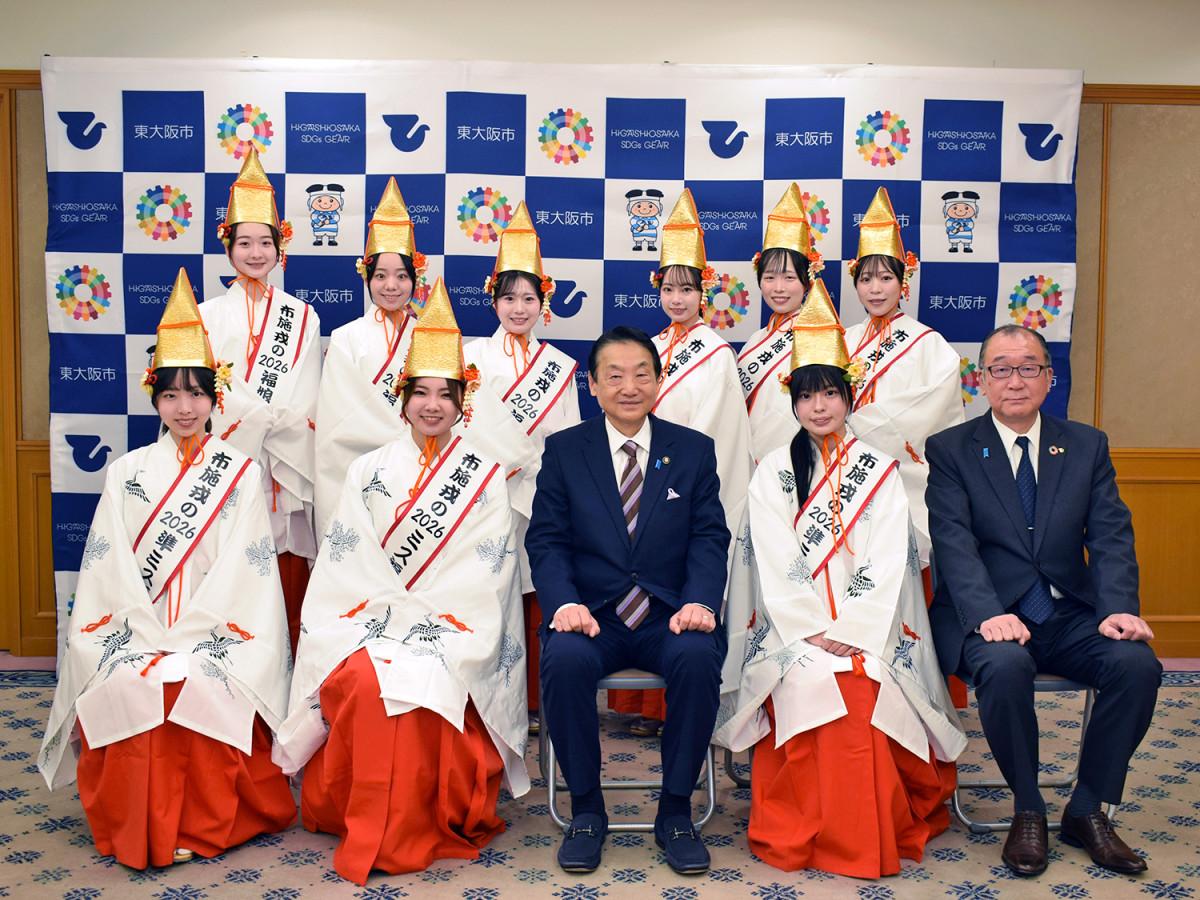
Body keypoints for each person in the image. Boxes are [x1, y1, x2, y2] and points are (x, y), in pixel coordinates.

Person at [275, 278, 529, 885]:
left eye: (445, 394)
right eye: (421, 393)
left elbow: (487, 570)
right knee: (368, 680)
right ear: (403, 397)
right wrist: (391, 622)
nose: (432, 405)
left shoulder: (484, 475)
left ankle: (424, 819)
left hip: (451, 628)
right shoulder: (367, 470)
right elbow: (347, 562)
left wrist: (426, 624)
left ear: (463, 402)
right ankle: (370, 820)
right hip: (372, 623)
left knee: (426, 676)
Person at [38, 269, 294, 869]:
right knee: (135, 678)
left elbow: (247, 574)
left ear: (215, 397)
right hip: (136, 626)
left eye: (197, 394)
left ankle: (202, 823)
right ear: (154, 397)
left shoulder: (241, 472)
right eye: (172, 395)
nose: (185, 408)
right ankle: (139, 823)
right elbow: (108, 571)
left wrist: (191, 636)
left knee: (197, 677)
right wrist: (149, 635)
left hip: (217, 630)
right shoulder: (127, 472)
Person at [718, 279, 965, 878]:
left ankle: (859, 835)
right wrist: (811, 629)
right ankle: (818, 832)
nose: (819, 407)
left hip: (869, 628)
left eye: (830, 393)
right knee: (811, 679)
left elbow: (886, 560)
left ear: (850, 396)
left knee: (864, 682)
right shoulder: (774, 472)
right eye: (807, 396)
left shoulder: (878, 469)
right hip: (793, 631)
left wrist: (851, 629)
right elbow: (775, 560)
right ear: (793, 402)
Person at [926, 324, 1161, 877]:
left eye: (1028, 367)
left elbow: (1111, 535)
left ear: (1049, 378)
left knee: (1136, 665)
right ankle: (1028, 808)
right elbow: (953, 543)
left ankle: (1087, 808)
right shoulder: (951, 450)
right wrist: (989, 614)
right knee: (1005, 667)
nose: (1015, 381)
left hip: (1068, 612)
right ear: (981, 380)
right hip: (987, 614)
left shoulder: (1085, 445)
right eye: (1001, 369)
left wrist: (1117, 607)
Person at [526, 325, 730, 876]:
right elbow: (547, 539)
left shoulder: (693, 450)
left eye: (642, 374)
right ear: (592, 384)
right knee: (564, 660)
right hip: (593, 616)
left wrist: (700, 601)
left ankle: (676, 812)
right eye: (613, 376)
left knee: (697, 656)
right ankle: (587, 811)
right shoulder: (566, 451)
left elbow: (709, 536)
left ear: (659, 381)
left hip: (669, 615)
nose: (629, 387)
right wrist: (564, 604)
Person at [608, 188, 753, 734]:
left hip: (680, 488)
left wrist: (671, 477)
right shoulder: (647, 347)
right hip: (634, 481)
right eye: (668, 288)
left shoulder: (716, 354)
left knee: (679, 585)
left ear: (703, 291)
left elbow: (713, 431)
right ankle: (639, 704)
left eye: (687, 288)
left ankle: (676, 708)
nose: (677, 298)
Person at [465, 201, 581, 733]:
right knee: (487, 593)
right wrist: (510, 463)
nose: (518, 308)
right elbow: (463, 428)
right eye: (508, 298)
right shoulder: (472, 358)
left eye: (528, 298)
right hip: (485, 495)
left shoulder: (557, 366)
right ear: (493, 300)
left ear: (543, 303)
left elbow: (568, 441)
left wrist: (549, 482)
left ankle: (535, 701)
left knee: (537, 595)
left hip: (540, 497)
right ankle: (484, 696)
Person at [203, 147, 321, 652]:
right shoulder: (206, 315)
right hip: (232, 454)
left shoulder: (303, 316)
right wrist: (255, 419)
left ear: (280, 247)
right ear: (228, 246)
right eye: (245, 242)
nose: (255, 253)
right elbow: (205, 391)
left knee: (287, 568)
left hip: (283, 461)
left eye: (265, 243)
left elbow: (307, 393)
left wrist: (272, 422)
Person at [843, 186, 963, 570]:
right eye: (866, 279)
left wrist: (858, 427)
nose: (875, 289)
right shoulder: (843, 341)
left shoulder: (929, 344)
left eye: (885, 278)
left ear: (903, 281)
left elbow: (933, 411)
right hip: (844, 475)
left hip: (903, 477)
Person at [314, 177, 423, 542]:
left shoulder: (428, 336)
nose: (391, 286)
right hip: (361, 467)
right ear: (367, 277)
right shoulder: (346, 337)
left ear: (415, 278)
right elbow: (339, 417)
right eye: (381, 276)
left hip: (418, 465)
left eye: (401, 276)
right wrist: (402, 438)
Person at [738, 182, 822, 463]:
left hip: (799, 455)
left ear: (807, 281)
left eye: (789, 278)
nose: (778, 288)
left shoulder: (819, 336)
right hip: (748, 459)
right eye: (770, 278)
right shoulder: (755, 340)